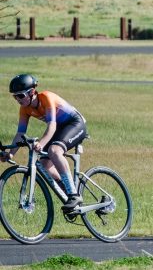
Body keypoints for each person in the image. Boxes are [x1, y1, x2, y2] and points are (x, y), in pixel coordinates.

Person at [0, 74, 88, 210]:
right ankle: (66, 191)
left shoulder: (46, 98)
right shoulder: (24, 108)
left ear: (32, 92)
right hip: (60, 128)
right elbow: (20, 133)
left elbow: (51, 126)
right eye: (15, 96)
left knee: (54, 150)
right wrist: (11, 154)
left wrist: (41, 143)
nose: (17, 99)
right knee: (44, 163)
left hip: (75, 123)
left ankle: (73, 195)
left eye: (21, 96)